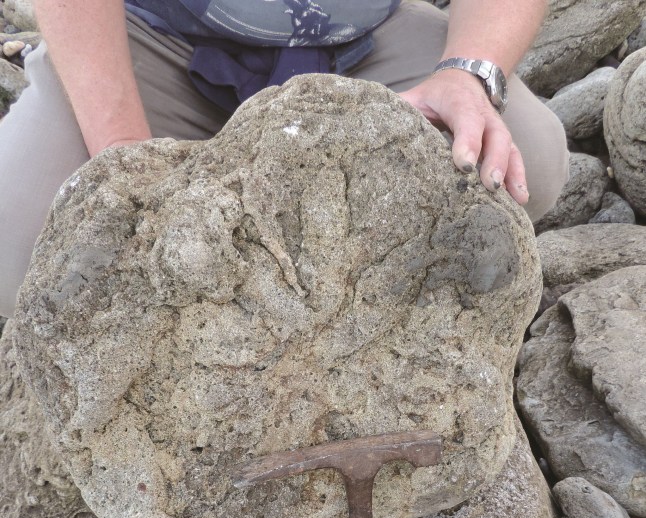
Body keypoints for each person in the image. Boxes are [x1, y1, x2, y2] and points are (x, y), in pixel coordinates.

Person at [0, 0, 569, 318]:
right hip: (147, 36)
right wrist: (128, 158)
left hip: (363, 32)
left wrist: (469, 72)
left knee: (523, 168)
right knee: (22, 247)